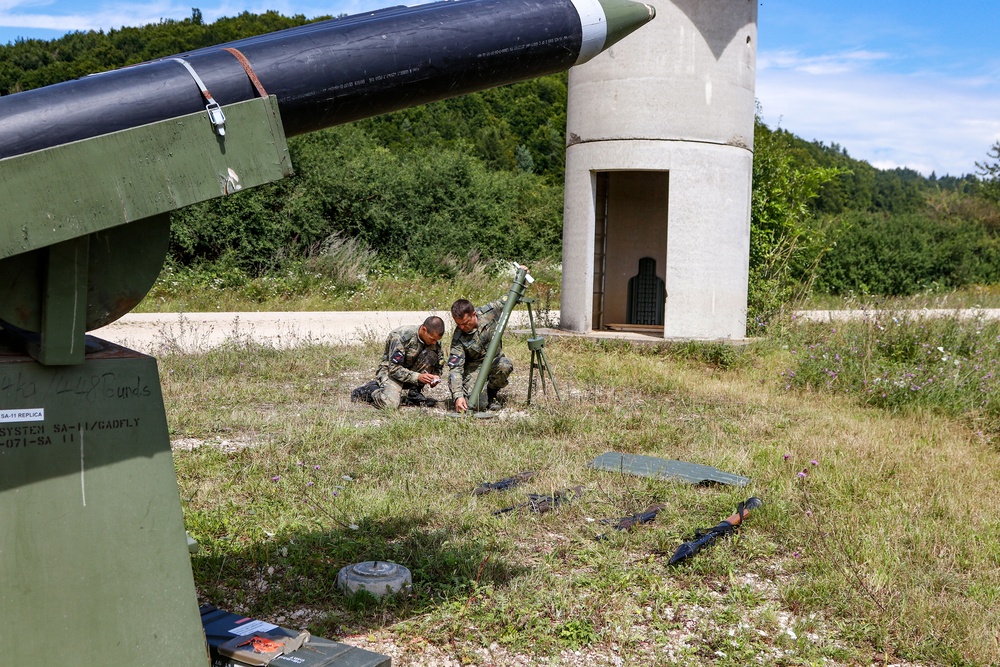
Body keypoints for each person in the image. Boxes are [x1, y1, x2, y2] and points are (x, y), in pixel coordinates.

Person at [351, 316, 444, 409]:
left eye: (436, 340)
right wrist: (418, 377)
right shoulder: (400, 336)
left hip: (411, 373)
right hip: (391, 372)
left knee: (431, 354)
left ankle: (414, 393)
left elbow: (438, 363)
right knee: (390, 405)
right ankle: (371, 389)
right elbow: (394, 369)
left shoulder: (433, 342)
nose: (434, 343)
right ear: (424, 329)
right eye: (432, 339)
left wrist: (435, 377)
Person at [447, 296, 515, 412]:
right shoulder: (458, 338)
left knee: (505, 366)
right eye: (458, 324)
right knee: (477, 404)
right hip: (474, 368)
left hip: (494, 361)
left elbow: (510, 298)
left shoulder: (489, 312)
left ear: (474, 314)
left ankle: (492, 393)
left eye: (465, 323)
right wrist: (458, 396)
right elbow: (455, 368)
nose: (462, 327)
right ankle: (480, 396)